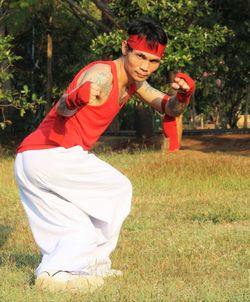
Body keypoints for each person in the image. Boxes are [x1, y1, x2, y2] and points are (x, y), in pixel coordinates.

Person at [14, 17, 195, 292]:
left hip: (30, 160)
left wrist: (182, 98)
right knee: (118, 189)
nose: (145, 67)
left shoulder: (135, 83)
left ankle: (56, 274)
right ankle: (94, 264)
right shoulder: (102, 73)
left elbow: (167, 108)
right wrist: (75, 98)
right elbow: (63, 107)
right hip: (51, 154)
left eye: (153, 61)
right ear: (125, 48)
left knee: (78, 227)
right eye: (140, 57)